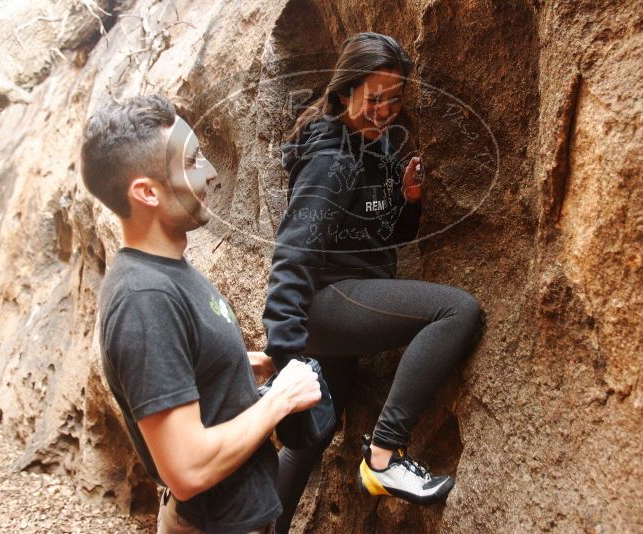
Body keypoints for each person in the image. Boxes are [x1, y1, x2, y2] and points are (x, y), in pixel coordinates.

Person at [262, 32, 483, 531]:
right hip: (326, 303)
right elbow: (293, 253)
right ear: (346, 92)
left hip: (346, 298)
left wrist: (407, 201)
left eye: (396, 96)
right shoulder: (331, 159)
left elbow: (382, 236)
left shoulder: (372, 149)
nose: (385, 108)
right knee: (458, 312)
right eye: (374, 96)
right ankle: (383, 458)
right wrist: (285, 351)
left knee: (311, 437)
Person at [80, 95, 322, 534]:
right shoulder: (144, 297)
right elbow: (187, 470)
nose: (210, 172)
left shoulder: (168, 271)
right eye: (192, 161)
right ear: (146, 192)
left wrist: (229, 363)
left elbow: (176, 360)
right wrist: (282, 398)